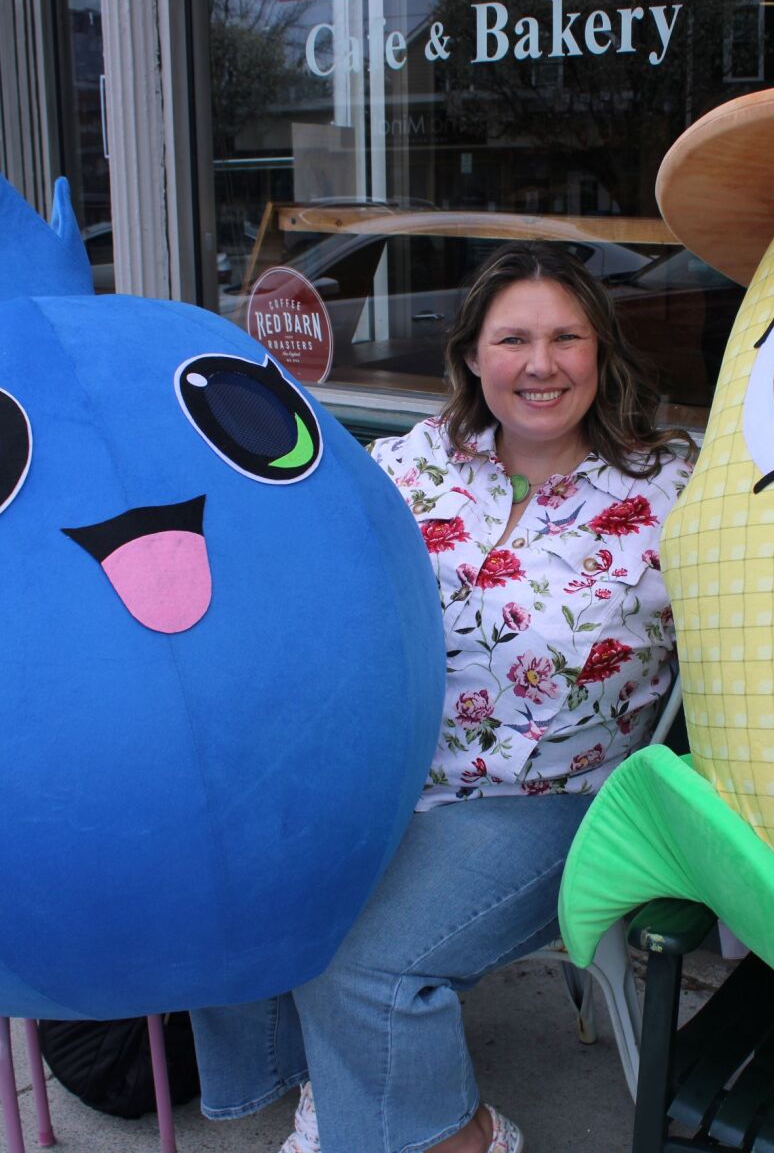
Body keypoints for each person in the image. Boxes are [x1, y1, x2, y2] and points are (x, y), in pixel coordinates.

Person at [190, 240, 695, 1153]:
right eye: (512, 339)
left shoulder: (669, 489)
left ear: (599, 352)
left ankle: (458, 1134)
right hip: (387, 770)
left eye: (564, 338)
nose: (538, 365)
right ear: (471, 354)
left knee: (361, 963)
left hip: (552, 800)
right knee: (224, 867)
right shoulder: (412, 463)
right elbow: (304, 574)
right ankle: (325, 1079)